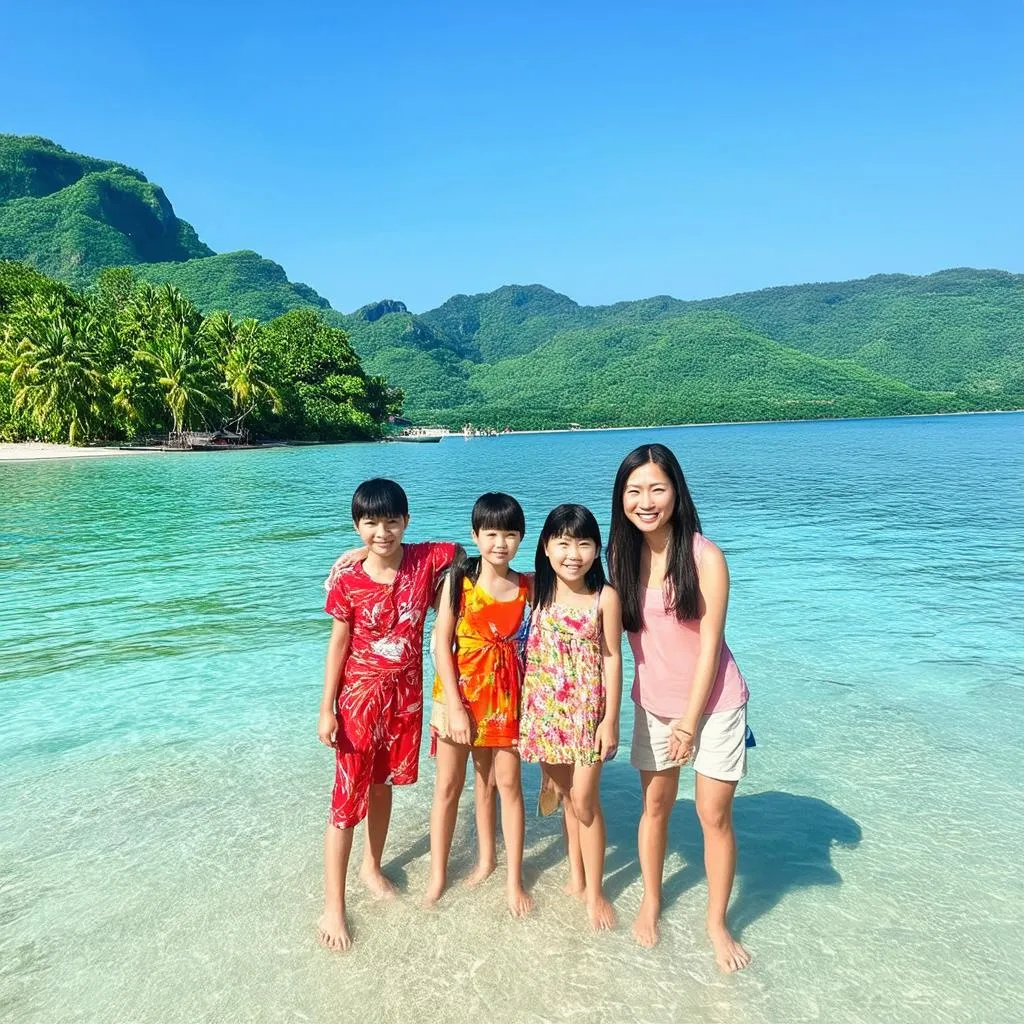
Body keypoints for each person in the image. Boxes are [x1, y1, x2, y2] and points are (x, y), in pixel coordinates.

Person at [607, 443, 752, 971]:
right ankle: (652, 898)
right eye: (634, 490)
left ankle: (717, 922)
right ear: (621, 497)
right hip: (653, 705)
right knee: (655, 808)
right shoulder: (621, 555)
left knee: (714, 815)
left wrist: (690, 723)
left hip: (713, 704)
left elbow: (711, 645)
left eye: (657, 489)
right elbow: (563, 582)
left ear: (677, 492)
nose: (646, 501)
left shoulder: (705, 556)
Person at [316, 478, 457, 951]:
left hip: (404, 703)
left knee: (384, 785)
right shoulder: (349, 581)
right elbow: (337, 646)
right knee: (345, 801)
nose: (382, 531)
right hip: (357, 703)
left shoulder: (422, 562)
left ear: (406, 522)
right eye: (370, 523)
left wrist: (356, 548)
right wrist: (326, 710)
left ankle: (371, 866)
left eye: (391, 521)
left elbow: (462, 551)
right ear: (357, 525)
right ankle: (333, 904)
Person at [425, 493, 533, 917]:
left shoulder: (528, 585)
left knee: (503, 785)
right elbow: (439, 644)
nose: (500, 544)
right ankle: (438, 874)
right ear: (475, 536)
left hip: (506, 701)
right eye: (491, 534)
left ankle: (507, 874)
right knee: (448, 787)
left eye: (509, 534)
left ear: (521, 538)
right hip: (457, 696)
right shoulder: (459, 581)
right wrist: (453, 704)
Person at [518, 503, 623, 931]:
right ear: (545, 547)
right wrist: (358, 553)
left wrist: (610, 719)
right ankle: (576, 876)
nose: (572, 553)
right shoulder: (534, 590)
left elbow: (613, 658)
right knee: (564, 793)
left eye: (583, 543)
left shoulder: (605, 597)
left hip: (586, 713)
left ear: (597, 550)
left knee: (585, 800)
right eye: (562, 543)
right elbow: (479, 563)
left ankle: (596, 893)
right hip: (544, 710)